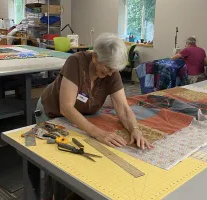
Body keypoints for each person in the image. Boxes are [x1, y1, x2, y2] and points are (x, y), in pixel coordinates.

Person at [36, 33, 154, 199]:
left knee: (84, 160)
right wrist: (98, 133)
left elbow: (123, 107)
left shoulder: (111, 72)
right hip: (52, 112)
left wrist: (135, 129)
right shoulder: (75, 62)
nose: (109, 73)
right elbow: (67, 108)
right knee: (58, 162)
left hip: (84, 113)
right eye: (107, 68)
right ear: (95, 56)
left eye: (113, 70)